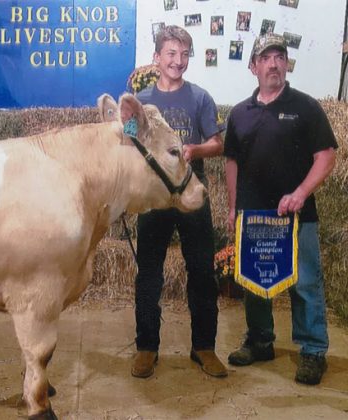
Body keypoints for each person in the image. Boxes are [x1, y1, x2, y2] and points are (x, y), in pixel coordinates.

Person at [223, 33, 337, 385]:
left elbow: (326, 156)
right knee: (255, 282)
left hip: (297, 216)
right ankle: (260, 341)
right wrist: (233, 207)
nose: (274, 63)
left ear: (286, 64)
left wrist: (302, 192)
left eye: (280, 57)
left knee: (305, 284)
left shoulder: (306, 107)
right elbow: (231, 162)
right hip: (254, 217)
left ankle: (313, 351)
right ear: (253, 66)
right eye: (266, 58)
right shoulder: (239, 113)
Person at [131, 25, 226, 379]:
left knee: (202, 271)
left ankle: (204, 347)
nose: (178, 60)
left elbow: (218, 144)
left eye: (184, 54)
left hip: (191, 194)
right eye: (171, 53)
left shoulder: (200, 98)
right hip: (154, 199)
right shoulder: (140, 102)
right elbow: (127, 142)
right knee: (149, 275)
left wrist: (195, 150)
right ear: (157, 58)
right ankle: (146, 348)